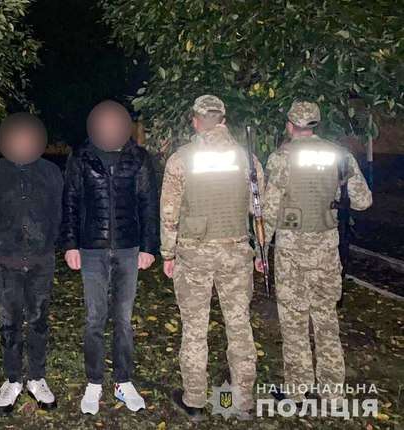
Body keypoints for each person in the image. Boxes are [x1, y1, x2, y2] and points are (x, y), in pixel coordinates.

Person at [262, 101, 372, 407]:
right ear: (315, 125)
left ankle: (297, 391)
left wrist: (261, 249)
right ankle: (333, 392)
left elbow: (269, 209)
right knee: (326, 319)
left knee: (294, 320)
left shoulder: (281, 157)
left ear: (290, 125)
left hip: (291, 252)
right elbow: (363, 201)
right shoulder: (339, 155)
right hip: (326, 249)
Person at [160, 95, 261, 421]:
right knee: (239, 326)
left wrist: (168, 253)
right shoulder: (246, 158)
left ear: (195, 121)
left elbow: (169, 212)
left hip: (194, 255)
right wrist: (261, 249)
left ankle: (194, 401)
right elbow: (259, 208)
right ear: (223, 120)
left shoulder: (181, 159)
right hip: (236, 252)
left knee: (194, 328)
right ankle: (241, 401)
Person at [61, 100, 160, 415]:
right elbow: (70, 201)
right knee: (94, 319)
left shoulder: (139, 158)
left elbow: (148, 203)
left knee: (123, 319)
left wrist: (149, 247)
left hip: (129, 249)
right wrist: (70, 244)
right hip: (91, 249)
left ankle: (123, 381)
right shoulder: (81, 157)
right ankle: (94, 382)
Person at [0, 113, 63, 414]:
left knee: (39, 321)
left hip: (41, 261)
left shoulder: (51, 172)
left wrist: (49, 241)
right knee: (9, 323)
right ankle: (13, 379)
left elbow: (59, 211)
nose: (23, 142)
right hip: (5, 263)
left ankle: (37, 378)